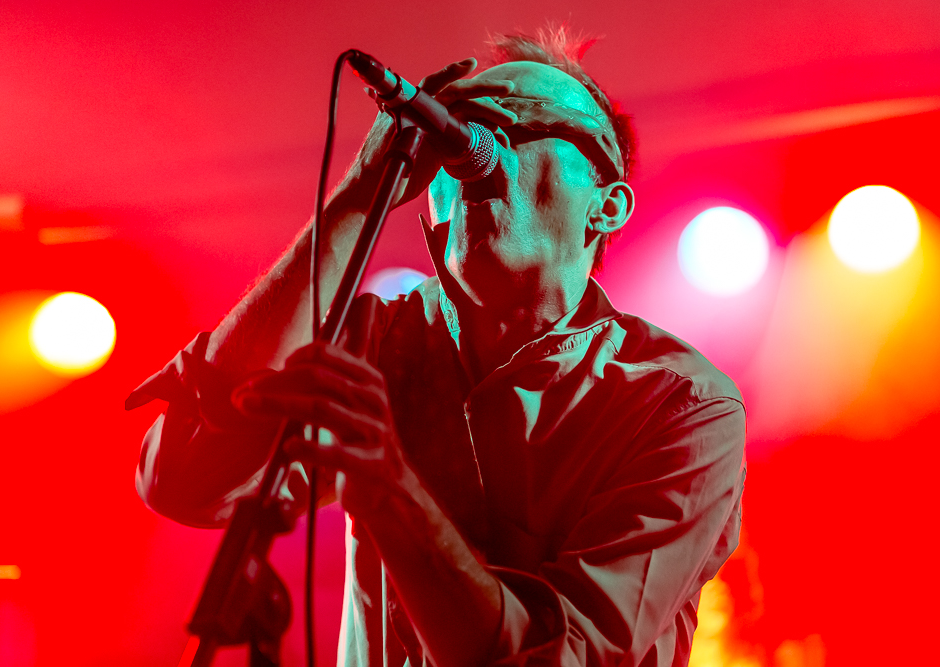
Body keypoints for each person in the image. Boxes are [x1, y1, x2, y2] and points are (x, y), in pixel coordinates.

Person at [127, 27, 746, 667]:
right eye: (461, 123)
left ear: (606, 205)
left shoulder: (679, 404)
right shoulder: (375, 343)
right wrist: (359, 191)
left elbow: (561, 658)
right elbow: (182, 481)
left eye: (521, 123)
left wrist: (390, 489)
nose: (475, 144)